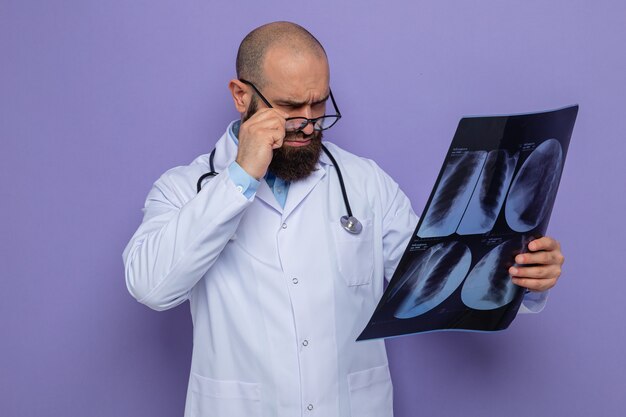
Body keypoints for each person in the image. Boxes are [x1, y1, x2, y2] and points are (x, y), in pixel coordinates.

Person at [123, 21, 565, 417]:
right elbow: (150, 286)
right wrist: (239, 178)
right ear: (242, 96)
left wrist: (521, 276)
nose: (309, 124)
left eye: (318, 105)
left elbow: (431, 282)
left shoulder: (365, 183)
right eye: (290, 106)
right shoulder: (186, 188)